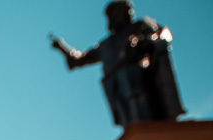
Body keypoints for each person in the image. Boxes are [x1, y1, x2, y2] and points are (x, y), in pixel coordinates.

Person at [49, 1, 184, 127]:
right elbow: (79, 59)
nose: (128, 14)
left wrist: (144, 41)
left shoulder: (141, 26)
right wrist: (62, 47)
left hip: (138, 78)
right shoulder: (106, 44)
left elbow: (162, 34)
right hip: (116, 87)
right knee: (130, 120)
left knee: (144, 111)